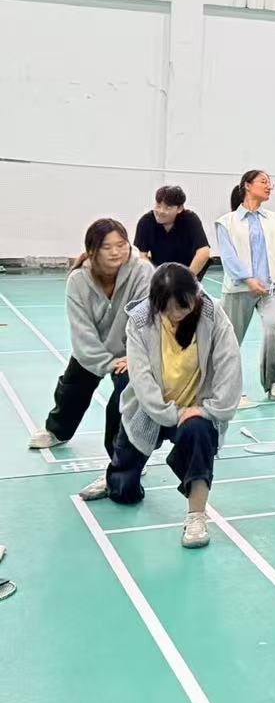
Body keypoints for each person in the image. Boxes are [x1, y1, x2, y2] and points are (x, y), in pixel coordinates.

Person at [105, 264, 243, 549]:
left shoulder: (213, 314)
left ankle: (196, 516)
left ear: (196, 295)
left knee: (200, 435)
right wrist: (171, 413)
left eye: (183, 306)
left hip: (196, 411)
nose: (177, 314)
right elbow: (141, 381)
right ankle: (113, 478)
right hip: (151, 411)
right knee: (123, 493)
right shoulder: (140, 320)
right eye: (168, 309)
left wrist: (208, 410)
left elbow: (230, 369)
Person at [29, 220, 152, 468]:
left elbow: (147, 321)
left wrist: (134, 357)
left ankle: (123, 460)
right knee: (71, 388)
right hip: (93, 350)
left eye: (121, 245)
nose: (116, 252)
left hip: (131, 352)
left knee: (125, 399)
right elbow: (82, 331)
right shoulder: (78, 280)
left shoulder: (142, 272)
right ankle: (58, 431)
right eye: (107, 247)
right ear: (92, 250)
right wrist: (106, 363)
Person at [214, 169, 275, 405]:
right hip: (239, 289)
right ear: (247, 185)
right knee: (229, 339)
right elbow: (228, 258)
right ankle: (227, 387)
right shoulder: (226, 222)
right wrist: (248, 279)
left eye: (270, 183)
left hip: (272, 289)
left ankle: (274, 381)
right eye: (264, 182)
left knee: (274, 326)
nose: (269, 186)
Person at [133, 186, 210, 277]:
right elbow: (141, 255)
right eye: (158, 206)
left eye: (168, 208)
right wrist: (157, 276)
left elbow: (203, 252)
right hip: (158, 272)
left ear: (179, 209)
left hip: (188, 270)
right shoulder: (146, 221)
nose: (161, 211)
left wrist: (187, 277)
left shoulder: (190, 220)